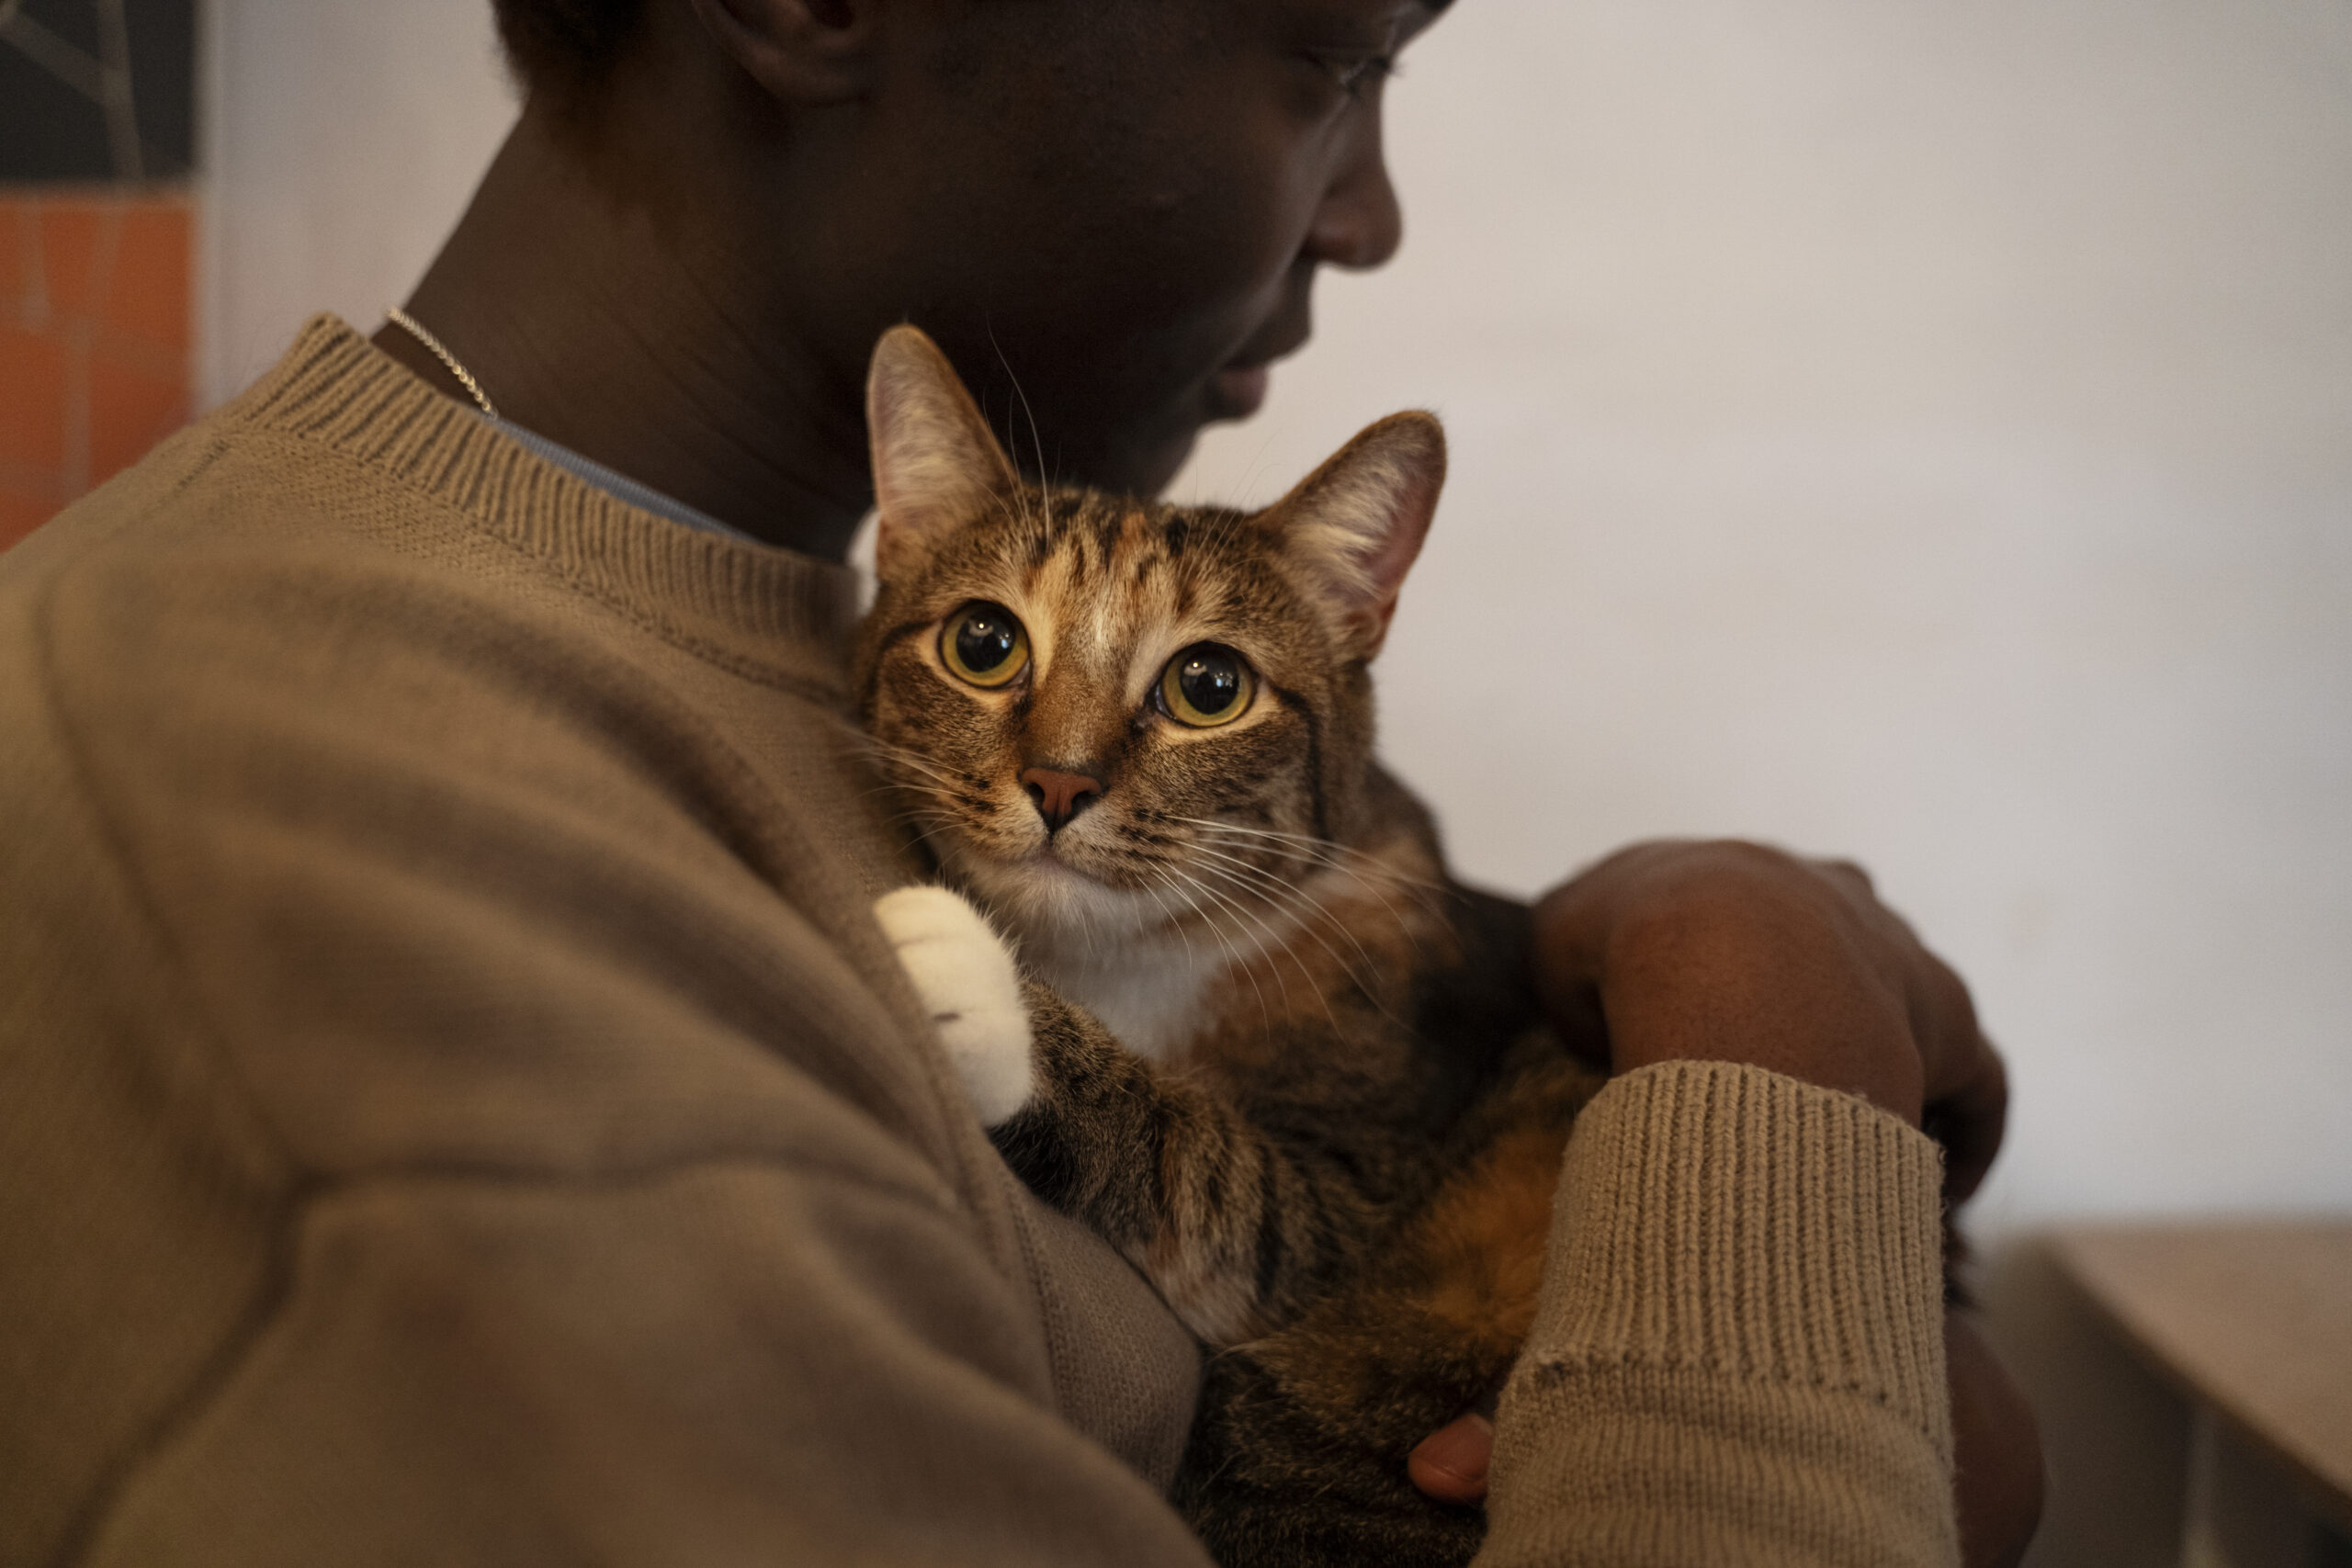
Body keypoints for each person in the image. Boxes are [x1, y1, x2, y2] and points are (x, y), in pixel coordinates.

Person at [0, 0, 2041, 1562]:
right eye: (1326, 52)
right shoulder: (314, 860)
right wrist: (1768, 1075)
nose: (1373, 213)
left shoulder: (792, 669)